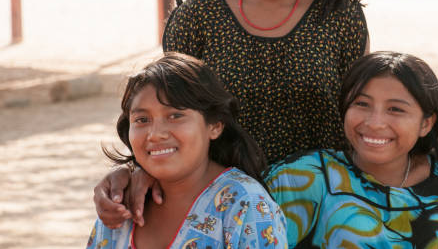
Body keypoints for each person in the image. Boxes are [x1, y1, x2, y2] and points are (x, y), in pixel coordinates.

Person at [94, 0, 368, 228]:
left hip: (324, 213)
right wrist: (133, 169)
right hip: (220, 217)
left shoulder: (340, 16)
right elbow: (167, 114)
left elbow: (362, 120)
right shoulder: (196, 18)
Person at [264, 51, 438, 248]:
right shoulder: (302, 179)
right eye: (362, 104)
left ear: (426, 123)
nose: (374, 123)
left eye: (396, 109)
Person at [86, 53, 287, 249]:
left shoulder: (245, 205)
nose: (155, 134)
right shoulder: (118, 206)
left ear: (215, 125)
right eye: (142, 120)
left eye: (175, 116)